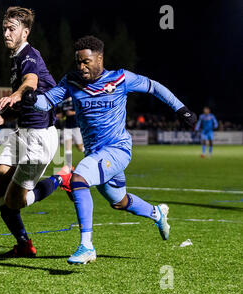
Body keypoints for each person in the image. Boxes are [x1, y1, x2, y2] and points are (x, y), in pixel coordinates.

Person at [25, 35, 197, 264]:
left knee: (78, 179)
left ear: (99, 58)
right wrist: (29, 98)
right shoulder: (71, 81)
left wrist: (181, 109)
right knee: (119, 201)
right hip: (96, 154)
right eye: (78, 62)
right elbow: (47, 102)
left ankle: (86, 246)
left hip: (118, 149)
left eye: (86, 61)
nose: (81, 67)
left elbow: (154, 87)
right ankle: (157, 213)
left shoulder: (121, 79)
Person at [0, 6, 71, 258]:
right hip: (23, 130)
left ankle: (61, 179)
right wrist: (2, 116)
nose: (6, 34)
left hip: (40, 137)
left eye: (12, 29)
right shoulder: (15, 58)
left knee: (15, 200)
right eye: (4, 29)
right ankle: (24, 244)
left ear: (25, 31)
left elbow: (31, 81)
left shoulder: (29, 55)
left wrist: (14, 94)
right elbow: (28, 97)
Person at [58, 97, 84, 173]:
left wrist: (72, 113)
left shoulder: (75, 100)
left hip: (76, 126)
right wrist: (59, 116)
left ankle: (89, 157)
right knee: (67, 147)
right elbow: (62, 114)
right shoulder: (64, 103)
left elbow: (81, 111)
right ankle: (69, 166)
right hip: (67, 127)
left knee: (79, 147)